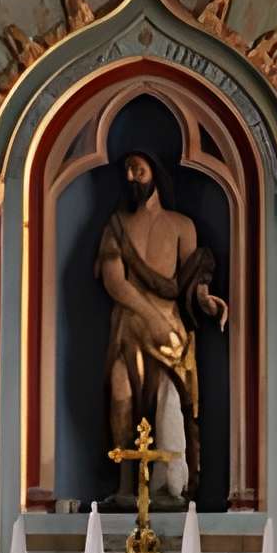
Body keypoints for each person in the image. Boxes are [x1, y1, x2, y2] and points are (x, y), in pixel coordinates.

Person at [95, 152, 225, 501]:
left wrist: (207, 300)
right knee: (122, 397)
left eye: (139, 169)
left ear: (156, 173)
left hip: (170, 331)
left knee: (168, 403)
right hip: (130, 327)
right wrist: (150, 316)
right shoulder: (117, 225)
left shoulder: (181, 225)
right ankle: (125, 486)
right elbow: (114, 281)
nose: (132, 177)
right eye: (128, 171)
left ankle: (169, 486)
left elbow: (190, 279)